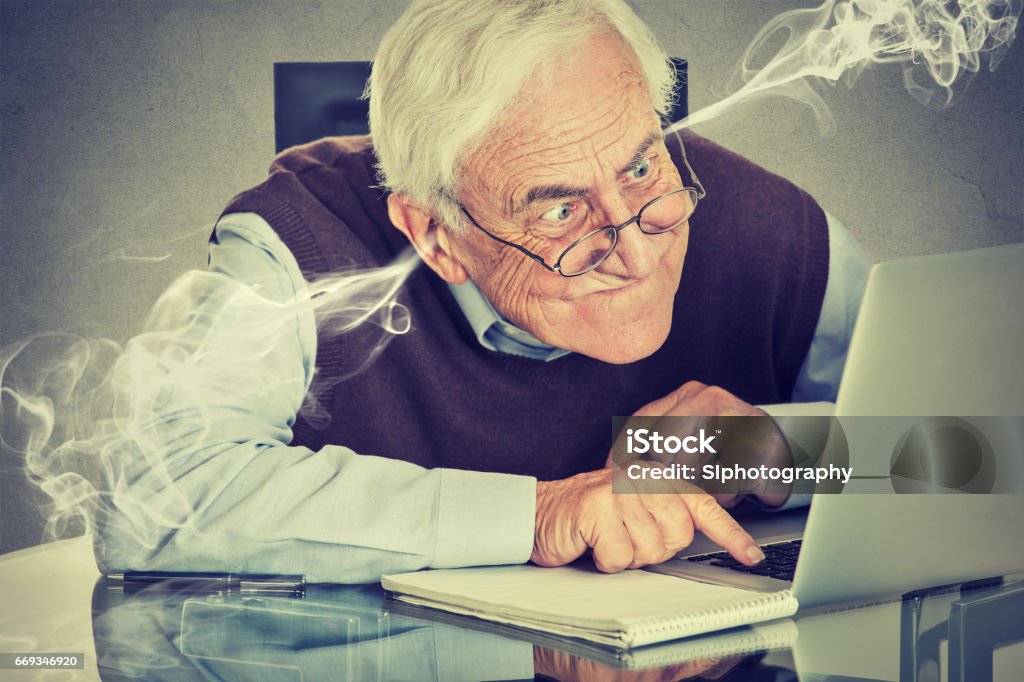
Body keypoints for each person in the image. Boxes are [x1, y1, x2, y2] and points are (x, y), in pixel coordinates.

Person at [94, 0, 869, 584]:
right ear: (435, 234)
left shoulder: (774, 228)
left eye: (639, 167)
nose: (635, 249)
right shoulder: (300, 245)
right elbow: (154, 496)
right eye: (561, 210)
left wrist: (776, 449)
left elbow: (973, 451)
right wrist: (535, 515)